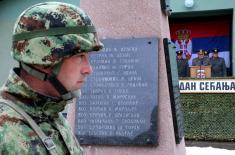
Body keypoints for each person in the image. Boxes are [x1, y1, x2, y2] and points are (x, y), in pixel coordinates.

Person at [0, 2, 103, 155]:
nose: (88, 69)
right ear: (44, 59)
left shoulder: (51, 113)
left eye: (88, 57)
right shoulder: (5, 132)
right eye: (79, 56)